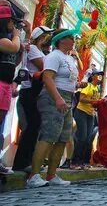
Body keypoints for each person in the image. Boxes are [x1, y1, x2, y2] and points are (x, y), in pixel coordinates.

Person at [26, 29, 79, 188]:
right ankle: (34, 175)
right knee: (49, 135)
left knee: (63, 137)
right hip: (53, 96)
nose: (73, 40)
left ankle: (51, 174)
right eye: (70, 37)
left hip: (68, 98)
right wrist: (57, 98)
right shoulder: (54, 56)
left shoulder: (69, 59)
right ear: (62, 40)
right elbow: (47, 78)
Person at [12, 25, 54, 172]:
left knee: (35, 127)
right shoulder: (34, 50)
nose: (48, 38)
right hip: (30, 90)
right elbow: (44, 68)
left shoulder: (40, 51)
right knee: (31, 126)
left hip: (36, 91)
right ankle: (21, 163)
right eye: (46, 36)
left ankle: (28, 161)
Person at [0, 5, 31, 175]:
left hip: (6, 83)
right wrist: (18, 37)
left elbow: (15, 57)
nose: (15, 26)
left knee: (2, 121)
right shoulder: (4, 38)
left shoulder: (12, 38)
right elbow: (11, 47)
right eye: (13, 22)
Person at [71, 69, 103, 170]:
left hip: (90, 114)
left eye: (101, 75)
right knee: (82, 136)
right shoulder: (88, 86)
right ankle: (75, 161)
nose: (100, 77)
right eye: (98, 75)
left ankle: (84, 161)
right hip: (81, 112)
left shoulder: (96, 88)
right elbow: (81, 99)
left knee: (88, 138)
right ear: (93, 76)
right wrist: (94, 101)